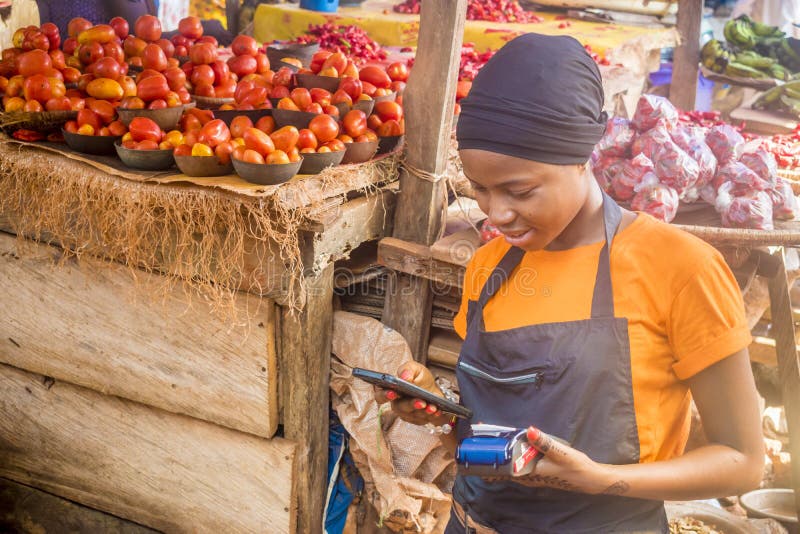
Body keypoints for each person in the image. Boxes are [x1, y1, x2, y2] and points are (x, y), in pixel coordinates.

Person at [375, 33, 764, 533]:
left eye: (520, 190)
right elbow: (492, 437)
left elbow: (743, 460)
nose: (496, 214)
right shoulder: (488, 268)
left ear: (583, 158)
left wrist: (599, 478)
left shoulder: (682, 269)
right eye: (479, 189)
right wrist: (440, 411)